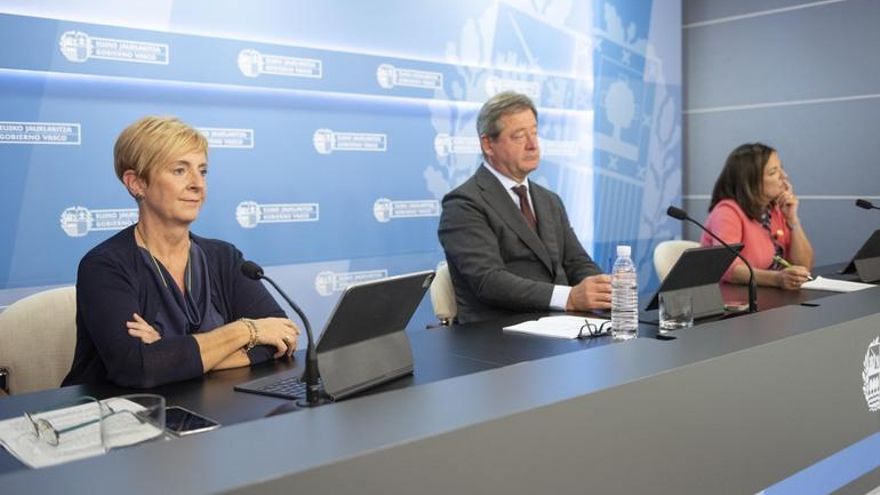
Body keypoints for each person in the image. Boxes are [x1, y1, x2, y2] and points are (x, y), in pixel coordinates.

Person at [63, 116, 299, 388]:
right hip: (123, 410)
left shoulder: (224, 257)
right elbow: (139, 368)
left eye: (203, 171)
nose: (197, 184)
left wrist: (168, 351)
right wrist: (245, 330)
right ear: (136, 183)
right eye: (179, 171)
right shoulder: (103, 266)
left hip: (212, 407)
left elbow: (282, 336)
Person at [438, 91, 612, 324]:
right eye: (519, 136)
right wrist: (569, 297)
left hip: (563, 326)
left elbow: (576, 262)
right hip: (500, 333)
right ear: (488, 144)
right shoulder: (463, 204)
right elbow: (489, 281)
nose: (533, 145)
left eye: (535, 133)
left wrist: (603, 290)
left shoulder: (549, 200)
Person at [701, 143, 814, 290]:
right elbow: (727, 268)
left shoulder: (774, 209)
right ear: (750, 181)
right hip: (737, 298)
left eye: (781, 168)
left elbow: (803, 267)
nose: (784, 176)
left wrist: (793, 221)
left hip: (771, 296)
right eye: (773, 172)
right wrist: (777, 279)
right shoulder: (727, 212)